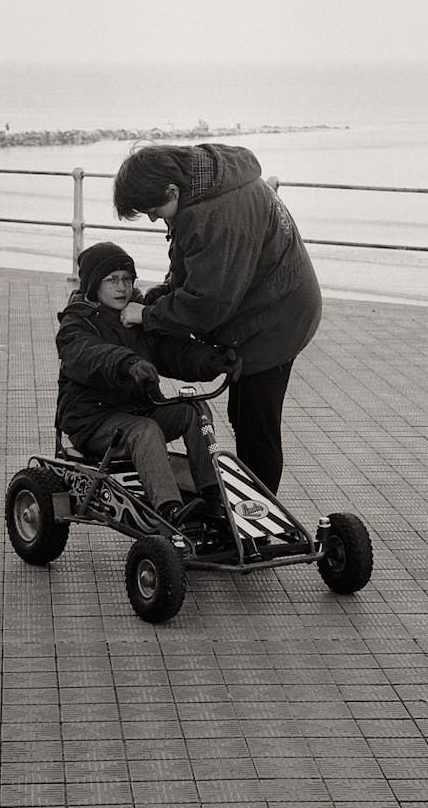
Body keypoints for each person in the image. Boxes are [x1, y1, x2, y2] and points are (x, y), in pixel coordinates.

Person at [114, 143, 322, 495]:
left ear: (171, 189)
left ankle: (259, 519)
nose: (152, 218)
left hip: (275, 320)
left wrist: (148, 315)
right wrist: (164, 294)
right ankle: (251, 508)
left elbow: (207, 303)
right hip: (275, 303)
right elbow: (193, 261)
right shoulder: (203, 182)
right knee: (245, 415)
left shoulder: (217, 214)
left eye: (153, 209)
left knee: (257, 424)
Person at [55, 241, 233, 527]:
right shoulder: (77, 324)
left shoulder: (138, 315)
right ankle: (169, 509)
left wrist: (213, 361)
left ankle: (213, 496)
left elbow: (173, 352)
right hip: (93, 420)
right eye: (112, 280)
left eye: (127, 279)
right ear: (92, 285)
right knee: (145, 431)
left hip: (140, 408)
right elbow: (88, 356)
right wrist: (127, 363)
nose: (122, 287)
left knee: (195, 410)